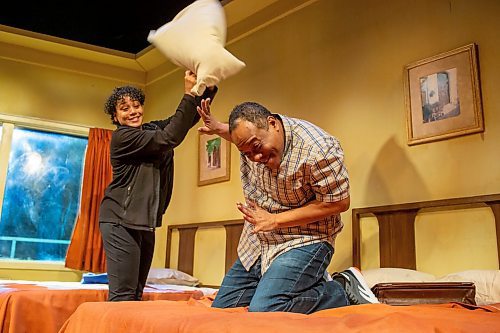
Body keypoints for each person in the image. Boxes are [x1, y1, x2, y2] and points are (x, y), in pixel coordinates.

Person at [196, 100, 378, 313]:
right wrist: (220, 128)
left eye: (256, 147)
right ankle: (288, 285)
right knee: (220, 310)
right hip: (259, 243)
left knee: (265, 308)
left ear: (272, 123)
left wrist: (274, 220)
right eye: (247, 154)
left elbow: (339, 202)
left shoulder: (318, 149)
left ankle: (340, 289)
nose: (256, 158)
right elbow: (243, 137)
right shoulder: (252, 138)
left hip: (305, 240)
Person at [99, 71, 217, 301]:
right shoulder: (123, 138)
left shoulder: (150, 129)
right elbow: (169, 138)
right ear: (115, 116)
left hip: (144, 222)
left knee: (135, 294)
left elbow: (184, 120)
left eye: (136, 105)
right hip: (120, 221)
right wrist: (188, 92)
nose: (133, 111)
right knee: (123, 296)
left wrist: (208, 87)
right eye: (125, 108)